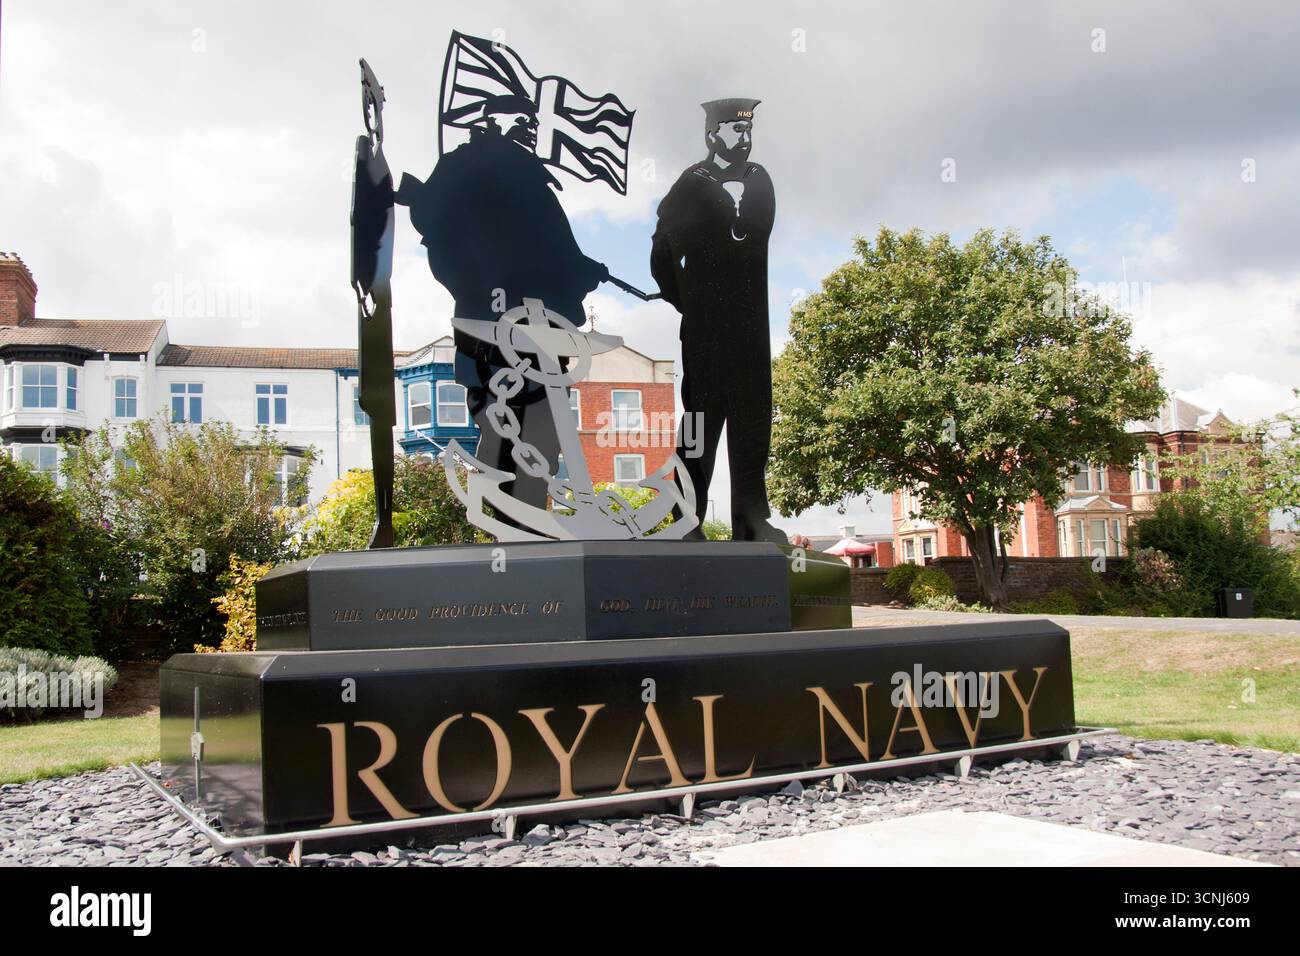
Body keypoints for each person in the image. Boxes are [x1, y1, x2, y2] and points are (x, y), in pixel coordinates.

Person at [398, 94, 608, 513]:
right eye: (521, 120)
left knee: (545, 430)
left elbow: (556, 247)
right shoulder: (463, 166)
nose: (530, 128)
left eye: (531, 122)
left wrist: (582, 267)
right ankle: (508, 516)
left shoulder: (532, 181)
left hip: (542, 335)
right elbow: (434, 225)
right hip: (489, 336)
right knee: (501, 427)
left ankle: (530, 516)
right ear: (492, 122)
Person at [650, 98, 785, 543]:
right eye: (733, 130)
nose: (743, 138)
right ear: (712, 135)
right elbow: (663, 251)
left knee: (752, 419)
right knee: (701, 422)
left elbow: (752, 231)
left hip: (751, 326)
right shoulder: (693, 183)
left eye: (747, 130)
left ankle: (751, 516)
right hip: (707, 330)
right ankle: (686, 517)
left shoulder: (758, 179)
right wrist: (687, 301)